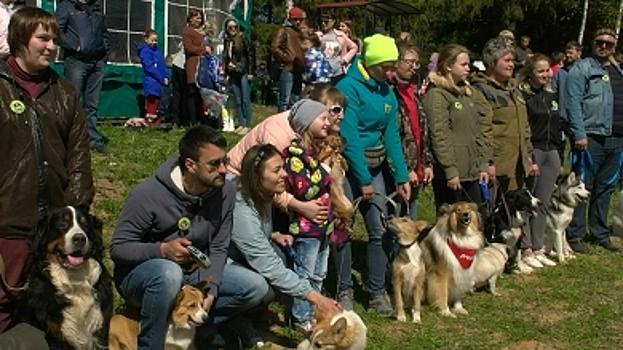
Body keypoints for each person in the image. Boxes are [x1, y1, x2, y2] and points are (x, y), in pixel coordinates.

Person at [110, 126, 268, 349]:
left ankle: (192, 323)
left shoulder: (225, 192)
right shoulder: (147, 194)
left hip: (193, 273)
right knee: (168, 273)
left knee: (255, 287)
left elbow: (219, 246)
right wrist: (162, 250)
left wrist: (211, 289)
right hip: (144, 275)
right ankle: (151, 343)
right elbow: (118, 248)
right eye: (214, 164)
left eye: (225, 161)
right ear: (190, 165)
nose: (224, 169)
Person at [0, 6, 94, 339]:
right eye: (43, 38)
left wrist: (75, 212)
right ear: (19, 39)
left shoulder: (64, 91)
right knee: (5, 301)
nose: (52, 46)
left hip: (54, 226)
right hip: (10, 221)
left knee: (50, 312)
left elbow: (79, 155)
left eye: (55, 39)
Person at [334, 34, 411, 316]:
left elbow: (391, 136)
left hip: (375, 166)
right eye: (386, 67)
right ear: (371, 62)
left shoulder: (386, 91)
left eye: (393, 66)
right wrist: (363, 180)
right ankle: (344, 290)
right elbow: (349, 135)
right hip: (349, 168)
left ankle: (377, 294)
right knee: (343, 227)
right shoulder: (347, 88)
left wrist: (401, 176)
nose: (391, 72)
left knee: (379, 229)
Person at [229, 143, 341, 335]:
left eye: (283, 167)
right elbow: (267, 264)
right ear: (256, 176)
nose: (285, 174)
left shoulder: (263, 194)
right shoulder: (242, 209)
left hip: (241, 255)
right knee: (260, 288)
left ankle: (252, 315)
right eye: (276, 170)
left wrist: (273, 234)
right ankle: (221, 321)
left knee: (280, 260)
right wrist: (316, 298)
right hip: (219, 263)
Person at [227, 84, 344, 224]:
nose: (341, 116)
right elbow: (268, 180)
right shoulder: (279, 139)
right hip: (240, 181)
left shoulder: (307, 129)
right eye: (335, 110)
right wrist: (300, 207)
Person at [565, 28, 623, 253]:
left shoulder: (618, 70)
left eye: (609, 43)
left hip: (616, 139)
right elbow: (573, 103)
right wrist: (579, 134)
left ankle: (600, 233)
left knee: (606, 188)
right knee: (582, 186)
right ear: (593, 43)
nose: (604, 46)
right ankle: (576, 234)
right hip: (590, 138)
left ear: (615, 46)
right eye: (600, 42)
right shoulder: (582, 68)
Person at [281, 99, 334, 332]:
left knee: (319, 273)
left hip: (322, 226)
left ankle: (314, 312)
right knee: (305, 273)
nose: (328, 122)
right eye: (322, 118)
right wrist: (325, 171)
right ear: (306, 123)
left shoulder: (313, 153)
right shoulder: (294, 156)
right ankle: (301, 317)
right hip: (305, 227)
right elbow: (304, 189)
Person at [422, 44, 489, 215]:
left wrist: (483, 163)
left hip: (472, 171)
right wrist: (450, 169)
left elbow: (477, 131)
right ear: (448, 66)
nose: (469, 68)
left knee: (476, 220)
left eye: (469, 64)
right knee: (451, 224)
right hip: (453, 174)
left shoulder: (465, 94)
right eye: (464, 64)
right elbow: (439, 135)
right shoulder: (437, 95)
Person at [471, 36, 535, 195]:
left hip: (518, 165)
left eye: (512, 60)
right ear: (492, 62)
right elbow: (482, 131)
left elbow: (525, 126)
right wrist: (488, 162)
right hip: (497, 167)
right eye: (506, 60)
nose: (511, 65)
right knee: (492, 215)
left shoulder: (515, 90)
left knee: (513, 217)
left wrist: (528, 153)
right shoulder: (481, 91)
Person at [517, 54, 561, 268]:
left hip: (551, 150)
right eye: (540, 71)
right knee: (529, 202)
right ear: (530, 74)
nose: (545, 74)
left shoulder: (551, 96)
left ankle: (538, 247)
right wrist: (529, 156)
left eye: (547, 70)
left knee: (542, 202)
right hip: (534, 150)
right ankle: (525, 248)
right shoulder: (524, 96)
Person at [55, 0, 110, 154]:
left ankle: (92, 139)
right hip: (76, 62)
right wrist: (75, 47)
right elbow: (56, 30)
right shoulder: (66, 7)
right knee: (71, 100)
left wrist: (104, 53)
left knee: (92, 104)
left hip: (97, 62)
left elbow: (104, 33)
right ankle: (66, 139)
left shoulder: (97, 8)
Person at [389, 41, 434, 219]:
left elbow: (421, 131)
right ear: (396, 61)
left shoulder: (412, 90)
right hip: (398, 168)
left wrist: (426, 163)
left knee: (411, 218)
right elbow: (395, 135)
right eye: (410, 62)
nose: (415, 67)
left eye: (417, 63)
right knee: (396, 219)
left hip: (417, 165)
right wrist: (406, 168)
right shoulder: (390, 91)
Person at [270, 6, 305, 112]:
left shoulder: (300, 32)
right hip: (287, 69)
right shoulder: (283, 30)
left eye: (300, 19)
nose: (298, 21)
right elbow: (274, 47)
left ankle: (291, 124)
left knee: (295, 99)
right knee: (285, 99)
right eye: (295, 19)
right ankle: (280, 123)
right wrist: (287, 58)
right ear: (290, 19)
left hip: (298, 69)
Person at [223, 17, 254, 135]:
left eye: (235, 27)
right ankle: (241, 123)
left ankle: (247, 124)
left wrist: (251, 72)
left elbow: (250, 55)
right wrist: (227, 71)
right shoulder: (227, 41)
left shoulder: (243, 38)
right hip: (233, 73)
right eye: (230, 27)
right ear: (226, 29)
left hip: (243, 71)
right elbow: (226, 57)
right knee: (238, 99)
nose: (233, 29)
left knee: (245, 98)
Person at [182, 8, 211, 126]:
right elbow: (189, 48)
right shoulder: (187, 31)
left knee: (202, 95)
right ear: (190, 18)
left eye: (200, 18)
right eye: (196, 18)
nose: (199, 20)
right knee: (192, 94)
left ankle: (202, 120)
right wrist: (204, 50)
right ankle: (193, 121)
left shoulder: (203, 32)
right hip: (193, 65)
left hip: (204, 67)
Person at [137, 29, 169, 126]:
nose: (154, 42)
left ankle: (155, 118)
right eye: (152, 40)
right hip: (151, 80)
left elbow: (162, 65)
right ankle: (150, 119)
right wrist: (161, 77)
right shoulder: (145, 52)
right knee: (152, 99)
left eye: (156, 40)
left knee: (158, 100)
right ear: (146, 39)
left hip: (158, 80)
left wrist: (166, 75)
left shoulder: (158, 51)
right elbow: (149, 67)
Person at [316, 12, 357, 84]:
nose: (323, 23)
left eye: (326, 21)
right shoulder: (317, 36)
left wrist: (345, 59)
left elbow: (354, 47)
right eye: (321, 21)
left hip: (338, 74)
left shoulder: (341, 35)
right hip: (322, 74)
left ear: (333, 21)